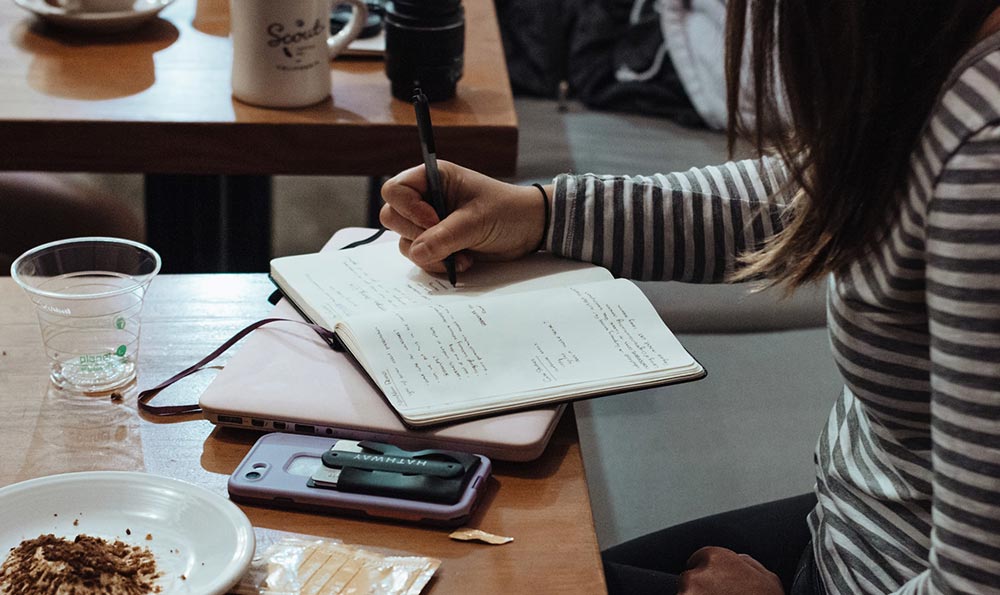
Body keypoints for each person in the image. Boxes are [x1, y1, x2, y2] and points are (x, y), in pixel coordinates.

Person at [379, 1, 1000, 594]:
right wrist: (544, 213)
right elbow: (816, 191)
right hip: (852, 531)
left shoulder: (982, 156)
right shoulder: (942, 54)